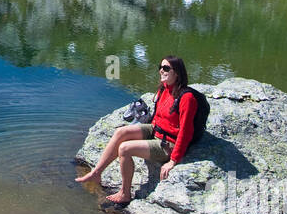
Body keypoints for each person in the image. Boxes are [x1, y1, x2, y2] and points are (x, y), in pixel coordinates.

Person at [76, 55, 198, 205]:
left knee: (125, 149)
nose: (161, 70)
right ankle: (96, 173)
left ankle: (125, 193)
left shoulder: (187, 98)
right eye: (160, 67)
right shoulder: (164, 89)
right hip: (156, 131)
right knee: (121, 132)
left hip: (168, 144)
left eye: (166, 68)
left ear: (177, 72)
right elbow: (158, 117)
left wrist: (173, 161)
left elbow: (186, 131)